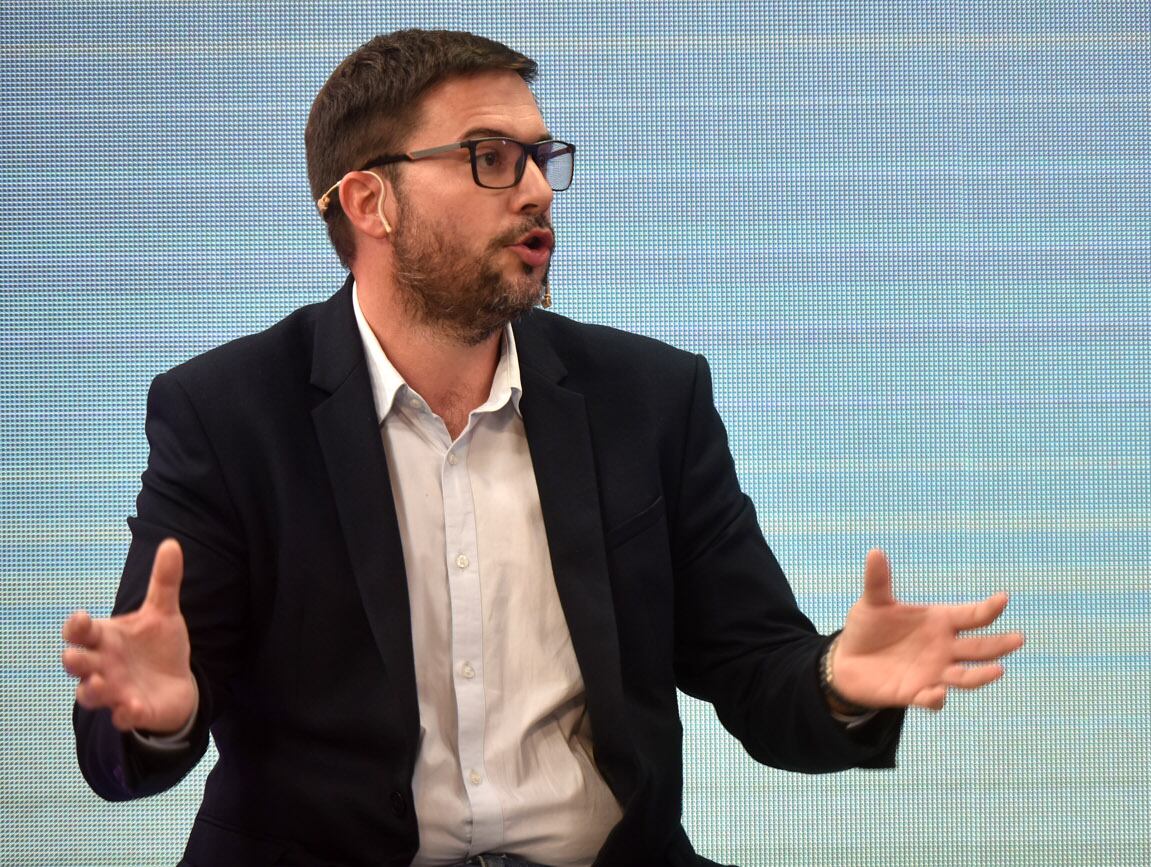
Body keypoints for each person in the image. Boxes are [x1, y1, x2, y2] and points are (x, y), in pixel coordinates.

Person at [60, 28, 1023, 867]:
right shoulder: (229, 413)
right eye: (489, 157)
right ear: (368, 202)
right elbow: (125, 743)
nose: (533, 190)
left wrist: (837, 683)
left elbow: (757, 670)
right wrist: (158, 716)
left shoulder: (650, 398)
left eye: (539, 157)